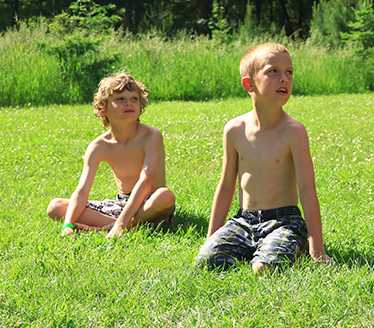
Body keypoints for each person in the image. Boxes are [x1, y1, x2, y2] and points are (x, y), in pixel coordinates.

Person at [195, 42, 332, 274]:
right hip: (243, 221)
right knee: (207, 262)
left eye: (289, 72)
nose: (284, 78)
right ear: (249, 84)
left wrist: (316, 249)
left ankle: (287, 249)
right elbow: (227, 185)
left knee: (263, 268)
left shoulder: (294, 132)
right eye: (273, 71)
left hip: (284, 221)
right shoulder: (234, 129)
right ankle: (255, 247)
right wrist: (212, 236)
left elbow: (308, 190)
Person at [46, 72, 175, 239]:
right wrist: (68, 225)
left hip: (149, 205)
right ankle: (127, 225)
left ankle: (114, 226)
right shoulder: (99, 146)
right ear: (103, 109)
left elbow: (146, 181)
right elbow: (82, 191)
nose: (129, 102)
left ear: (141, 104)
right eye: (120, 99)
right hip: (120, 205)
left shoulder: (151, 136)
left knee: (165, 196)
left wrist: (121, 222)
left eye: (134, 98)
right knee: (55, 207)